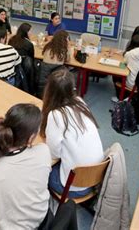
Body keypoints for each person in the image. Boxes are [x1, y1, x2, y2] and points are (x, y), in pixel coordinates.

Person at [41, 69, 104, 198]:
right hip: (95, 177)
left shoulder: (56, 114)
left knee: (38, 169)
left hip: (74, 185)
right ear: (72, 89)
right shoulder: (80, 102)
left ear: (49, 90)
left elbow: (54, 154)